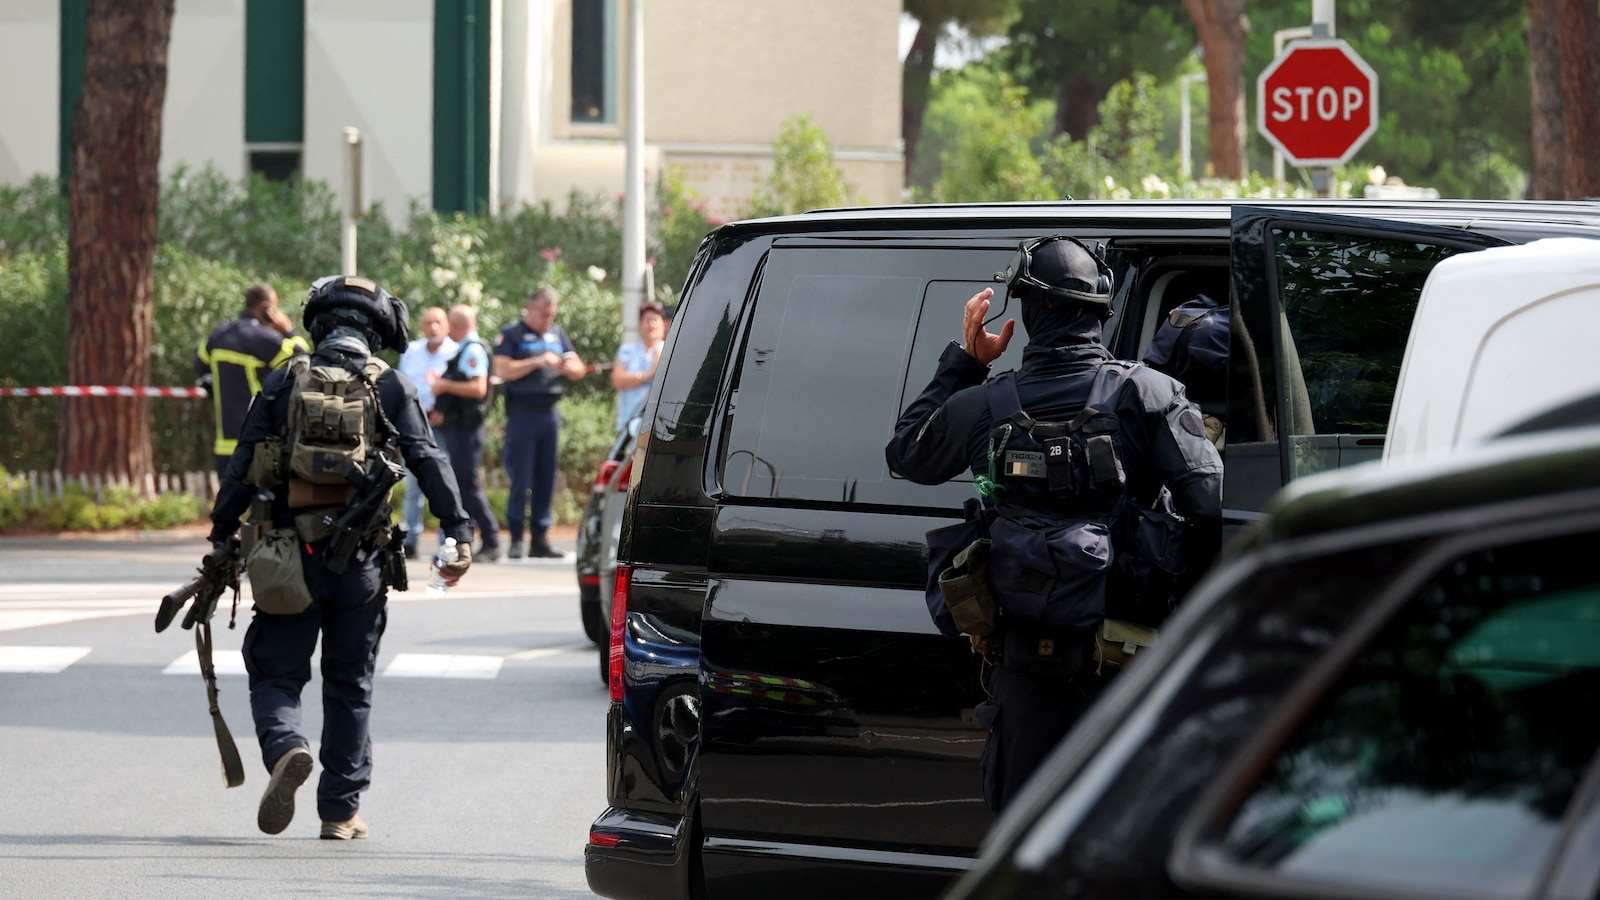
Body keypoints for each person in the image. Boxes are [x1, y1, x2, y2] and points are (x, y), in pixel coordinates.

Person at [884, 235, 1222, 813]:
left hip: (1024, 673)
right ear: (1102, 309)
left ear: (1028, 311)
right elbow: (1213, 507)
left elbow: (905, 454)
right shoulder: (1150, 393)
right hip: (1128, 666)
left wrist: (966, 362)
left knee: (1024, 842)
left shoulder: (983, 405)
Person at [207, 275, 473, 840]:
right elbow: (429, 459)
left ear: (320, 326)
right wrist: (459, 531)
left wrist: (221, 536)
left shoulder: (285, 380)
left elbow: (242, 463)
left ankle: (286, 747)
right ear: (377, 333)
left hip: (285, 557)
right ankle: (340, 811)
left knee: (276, 670)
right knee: (350, 680)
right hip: (361, 563)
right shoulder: (391, 386)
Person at [493, 287, 585, 559]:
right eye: (544, 313)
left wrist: (570, 368)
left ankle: (540, 539)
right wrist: (536, 361)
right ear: (530, 308)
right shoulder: (512, 334)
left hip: (549, 413)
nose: (548, 319)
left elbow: (578, 368)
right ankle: (517, 538)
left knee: (547, 476)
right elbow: (501, 369)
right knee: (521, 477)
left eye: (552, 314)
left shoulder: (557, 334)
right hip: (522, 413)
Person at [195, 283, 311, 472]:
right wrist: (288, 330)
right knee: (262, 501)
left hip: (225, 444)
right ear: (267, 308)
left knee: (230, 500)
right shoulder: (264, 339)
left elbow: (199, 365)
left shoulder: (219, 335)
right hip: (258, 442)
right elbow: (304, 360)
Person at [429, 304, 502, 560]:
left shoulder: (472, 350)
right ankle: (466, 541)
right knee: (461, 485)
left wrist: (444, 384)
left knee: (467, 486)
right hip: (458, 426)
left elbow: (477, 388)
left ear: (456, 325)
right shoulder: (463, 350)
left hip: (467, 429)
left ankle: (491, 538)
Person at [396, 306, 457, 558]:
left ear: (447, 326)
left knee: (445, 482)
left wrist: (444, 410)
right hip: (414, 425)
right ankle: (410, 539)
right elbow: (401, 386)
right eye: (428, 322)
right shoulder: (411, 351)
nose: (433, 327)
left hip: (445, 427)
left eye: (438, 322)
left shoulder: (456, 351)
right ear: (422, 326)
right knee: (413, 484)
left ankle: (448, 539)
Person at [611, 301, 668, 432]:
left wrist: (633, 379)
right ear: (640, 324)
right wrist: (648, 374)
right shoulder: (627, 350)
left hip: (658, 424)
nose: (651, 324)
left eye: (655, 320)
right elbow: (618, 381)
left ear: (663, 324)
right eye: (647, 320)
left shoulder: (670, 350)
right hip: (628, 423)